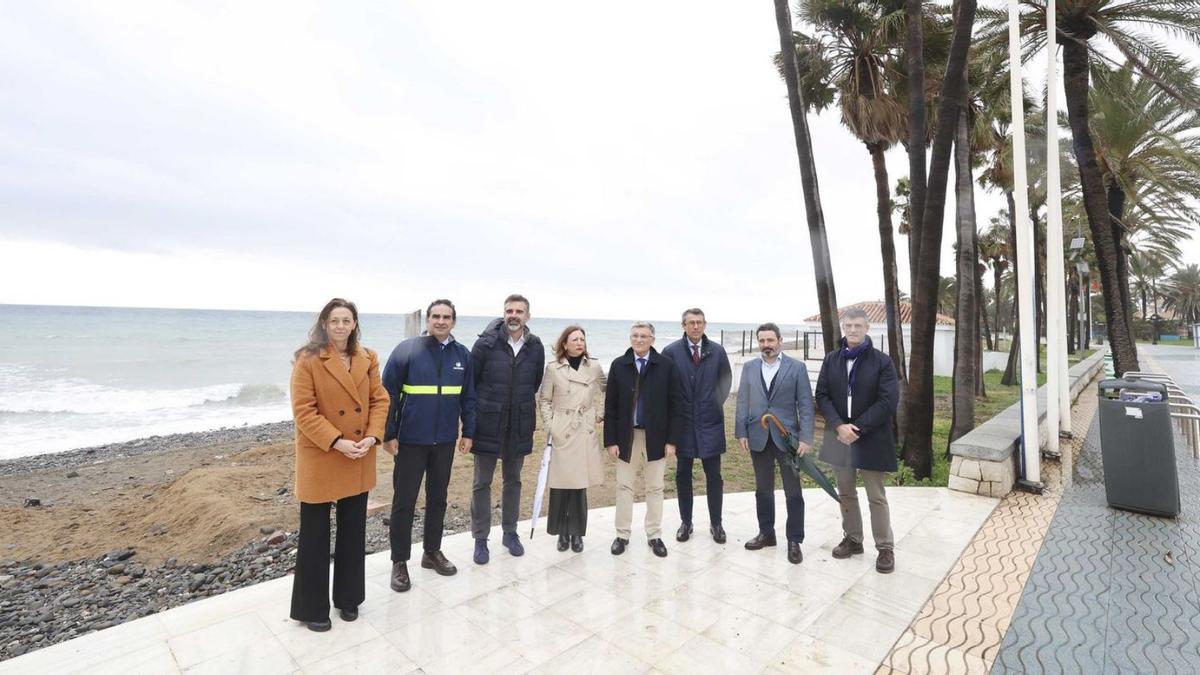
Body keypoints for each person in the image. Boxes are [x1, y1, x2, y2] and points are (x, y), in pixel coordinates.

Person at [288, 298, 389, 632]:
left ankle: (348, 599)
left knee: (352, 531)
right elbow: (304, 411)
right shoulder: (307, 360)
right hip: (323, 453)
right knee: (315, 534)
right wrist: (336, 441)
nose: (341, 326)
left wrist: (373, 437)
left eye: (347, 320)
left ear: (355, 324)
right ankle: (311, 608)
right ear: (324, 324)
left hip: (359, 451)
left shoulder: (368, 358)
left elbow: (380, 400)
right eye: (335, 320)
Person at [381, 299, 476, 592]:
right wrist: (388, 433)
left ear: (453, 321)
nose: (440, 321)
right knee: (404, 502)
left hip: (444, 441)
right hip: (411, 441)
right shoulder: (407, 349)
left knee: (438, 498)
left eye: (446, 317)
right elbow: (387, 395)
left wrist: (468, 432)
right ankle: (399, 562)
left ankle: (431, 552)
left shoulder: (463, 355)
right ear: (428, 320)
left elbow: (468, 397)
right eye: (435, 316)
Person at [815, 307, 900, 574]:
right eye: (848, 325)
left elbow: (888, 401)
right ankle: (853, 539)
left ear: (867, 328)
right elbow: (822, 395)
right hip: (840, 437)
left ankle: (885, 547)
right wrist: (840, 426)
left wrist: (858, 428)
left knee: (876, 496)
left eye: (858, 326)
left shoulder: (882, 361)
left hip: (871, 436)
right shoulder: (831, 360)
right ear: (843, 327)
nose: (853, 330)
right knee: (846, 492)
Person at [468, 294, 545, 565]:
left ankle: (510, 533)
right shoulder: (484, 345)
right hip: (487, 424)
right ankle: (480, 538)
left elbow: (534, 383)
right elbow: (471, 385)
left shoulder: (535, 347)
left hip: (519, 425)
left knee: (513, 481)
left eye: (519, 311)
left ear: (528, 316)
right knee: (482, 483)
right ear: (504, 313)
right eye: (509, 310)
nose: (514, 315)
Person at [735, 322, 814, 565]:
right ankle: (767, 534)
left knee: (793, 492)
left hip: (787, 439)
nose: (766, 345)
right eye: (762, 341)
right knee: (763, 490)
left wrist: (805, 437)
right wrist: (741, 433)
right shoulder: (749, 368)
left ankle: (794, 540)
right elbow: (742, 402)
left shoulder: (797, 368)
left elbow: (805, 405)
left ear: (779, 340)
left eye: (770, 340)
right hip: (758, 437)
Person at [604, 321, 683, 558]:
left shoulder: (666, 366)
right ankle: (622, 535)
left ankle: (654, 535)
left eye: (644, 336)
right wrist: (610, 441)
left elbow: (675, 405)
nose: (639, 340)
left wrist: (672, 440)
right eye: (635, 335)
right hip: (626, 437)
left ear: (652, 340)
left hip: (657, 437)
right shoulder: (619, 365)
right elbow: (611, 406)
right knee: (624, 486)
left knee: (655, 487)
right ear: (630, 338)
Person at [662, 308, 732, 544]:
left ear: (705, 325)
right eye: (691, 322)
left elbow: (725, 382)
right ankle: (686, 522)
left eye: (699, 322)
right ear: (683, 325)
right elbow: (666, 388)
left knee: (714, 476)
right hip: (682, 425)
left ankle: (717, 523)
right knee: (683, 474)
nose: (695, 326)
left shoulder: (717, 351)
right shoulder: (671, 352)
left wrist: (711, 404)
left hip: (710, 422)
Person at [538, 325, 607, 552]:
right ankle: (561, 532)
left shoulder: (594, 367)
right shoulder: (553, 368)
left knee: (579, 485)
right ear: (564, 344)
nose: (579, 343)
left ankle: (577, 533)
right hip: (562, 430)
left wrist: (599, 413)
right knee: (560, 484)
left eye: (582, 339)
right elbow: (545, 399)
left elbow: (610, 391)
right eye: (574, 339)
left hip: (583, 430)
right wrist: (552, 425)